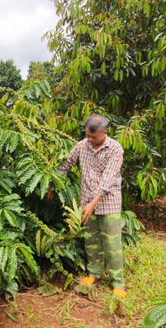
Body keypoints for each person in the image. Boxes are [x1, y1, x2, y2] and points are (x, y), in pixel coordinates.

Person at [46, 114, 126, 299]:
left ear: (105, 133)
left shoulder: (115, 148)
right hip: (87, 200)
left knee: (112, 242)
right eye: (87, 135)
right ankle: (94, 274)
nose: (90, 140)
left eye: (94, 137)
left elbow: (109, 178)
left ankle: (118, 282)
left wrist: (93, 203)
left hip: (108, 202)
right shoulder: (82, 145)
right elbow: (66, 165)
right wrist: (53, 184)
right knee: (91, 240)